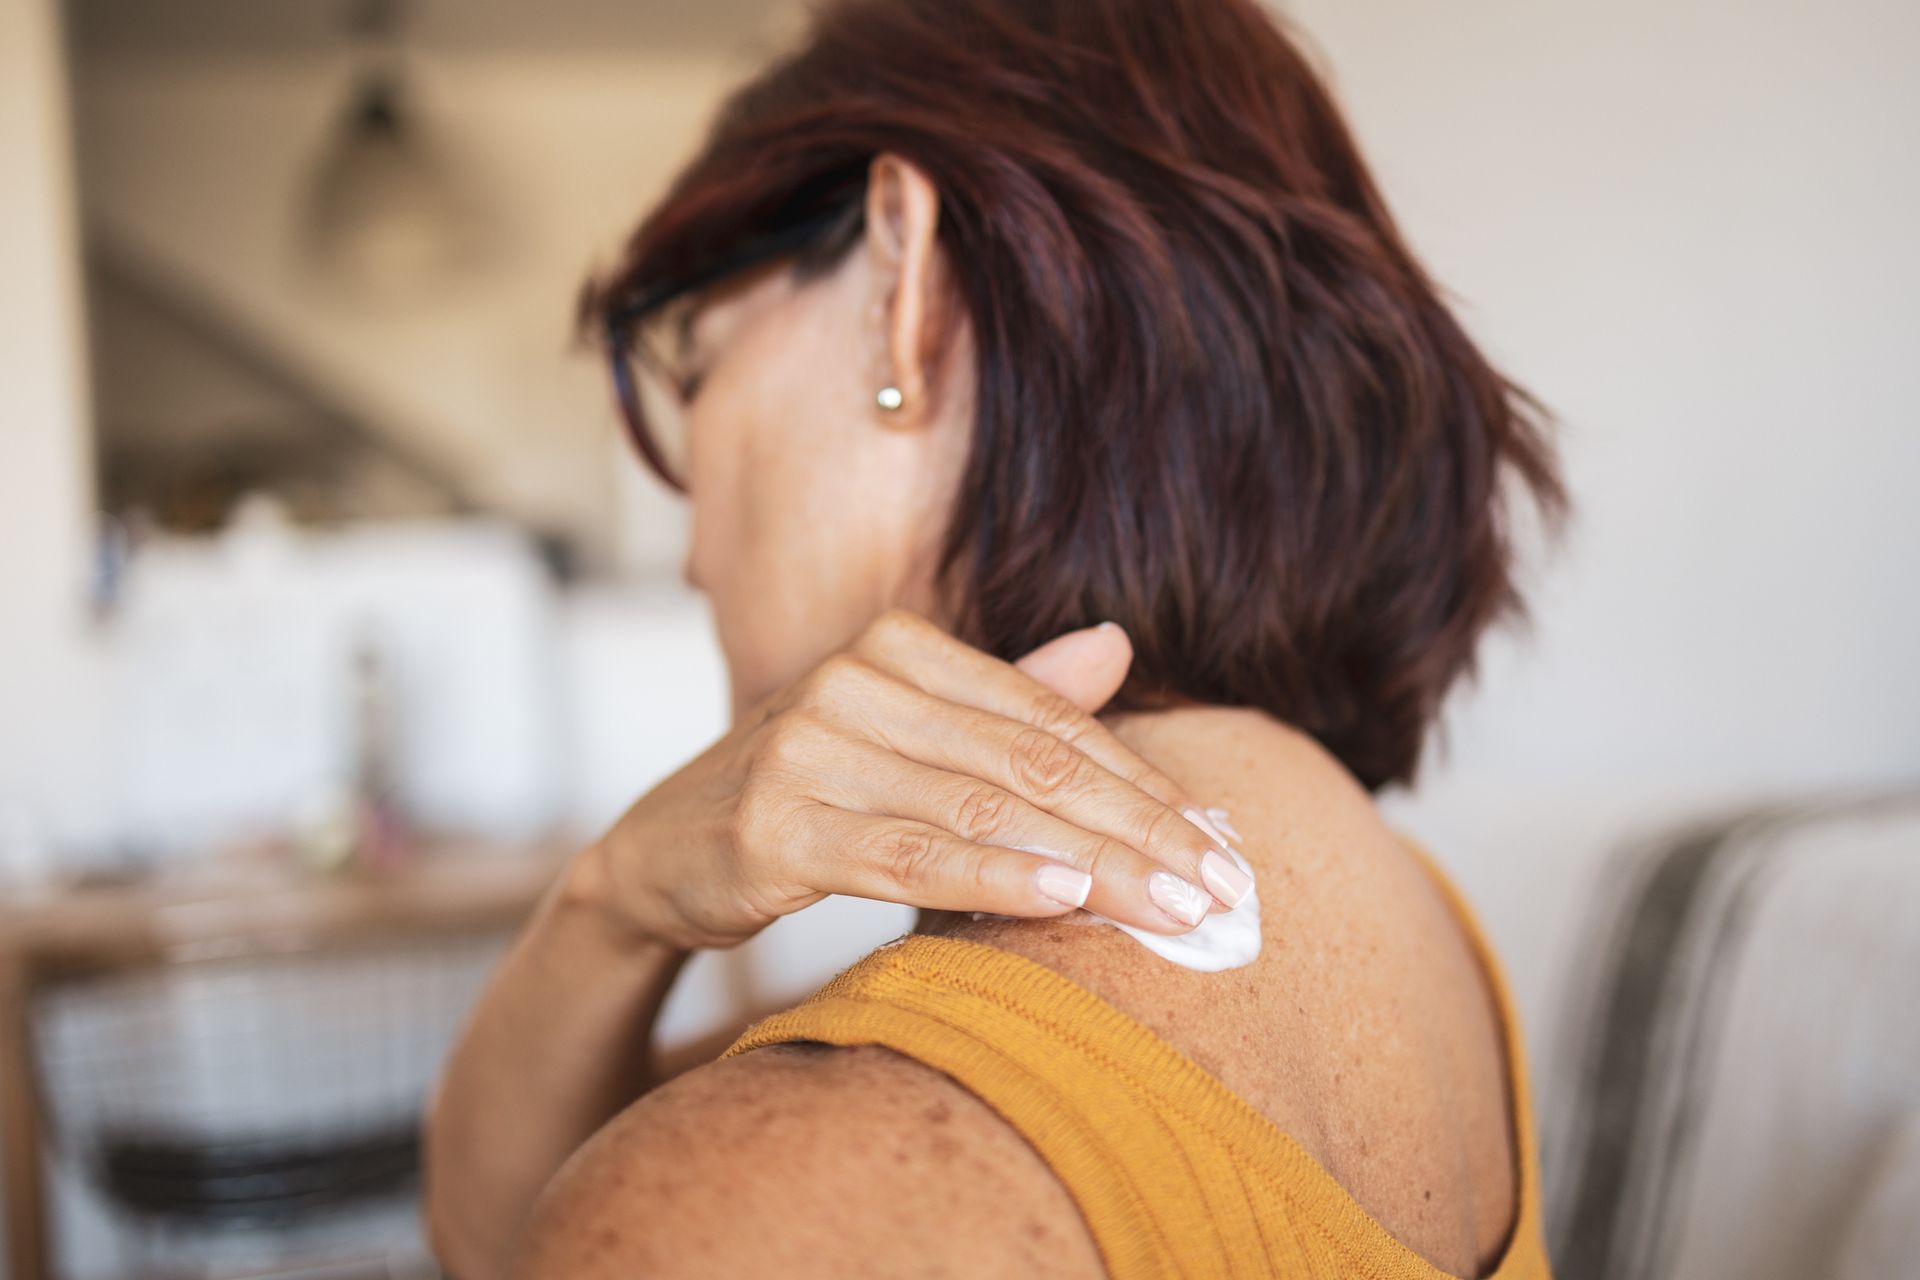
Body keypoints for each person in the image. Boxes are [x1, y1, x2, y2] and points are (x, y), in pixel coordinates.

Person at [422, 0, 1570, 1275]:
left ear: (899, 283)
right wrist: (617, 897)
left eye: (694, 365)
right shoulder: (1412, 925)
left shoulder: (771, 1198)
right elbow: (498, 1223)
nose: (692, 544)